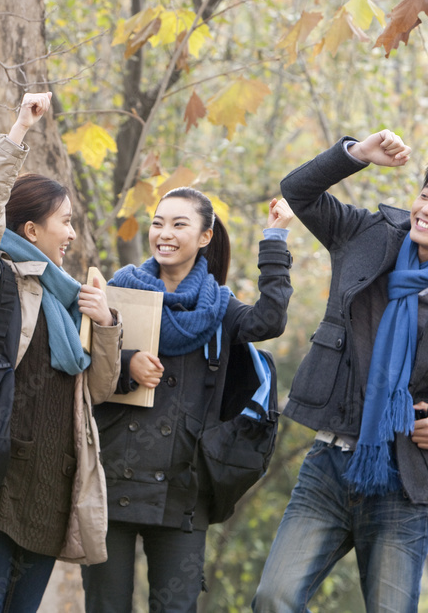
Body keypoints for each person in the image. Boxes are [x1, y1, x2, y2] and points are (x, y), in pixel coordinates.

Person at [253, 131, 428, 612]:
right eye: (425, 194)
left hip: (406, 480)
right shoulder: (367, 236)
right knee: (273, 597)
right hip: (329, 465)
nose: (426, 209)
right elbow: (298, 192)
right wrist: (357, 154)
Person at [0, 91, 123, 612]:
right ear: (30, 229)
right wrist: (19, 130)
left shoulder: (69, 301)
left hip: (53, 485)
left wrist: (105, 323)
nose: (71, 233)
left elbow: (98, 389)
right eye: (64, 221)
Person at [80, 187, 295, 613]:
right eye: (158, 223)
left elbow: (269, 321)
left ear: (204, 236)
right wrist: (126, 364)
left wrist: (275, 239)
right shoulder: (121, 291)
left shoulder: (220, 307)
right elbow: (82, 366)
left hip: (183, 490)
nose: (164, 233)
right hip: (112, 480)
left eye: (179, 224)